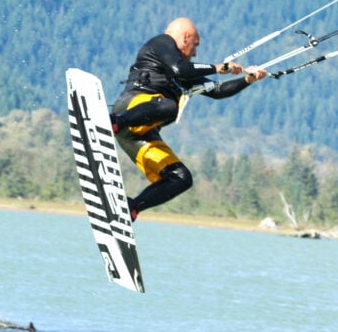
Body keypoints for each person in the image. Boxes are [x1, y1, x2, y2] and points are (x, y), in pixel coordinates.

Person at [111, 17, 268, 221]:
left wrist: (248, 79)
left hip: (138, 134)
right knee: (169, 106)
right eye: (195, 46)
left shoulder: (186, 72)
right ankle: (113, 122)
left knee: (181, 178)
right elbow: (179, 69)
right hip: (129, 108)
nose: (195, 53)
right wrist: (218, 67)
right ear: (185, 38)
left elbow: (217, 91)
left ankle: (131, 207)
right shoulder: (162, 42)